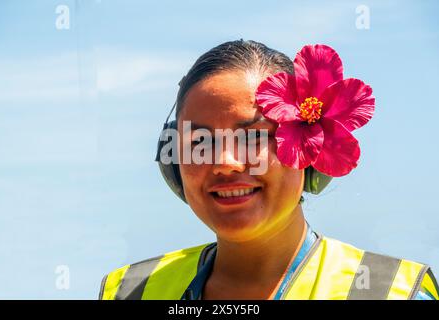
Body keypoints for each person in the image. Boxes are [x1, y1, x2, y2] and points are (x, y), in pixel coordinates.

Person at [99, 40, 439, 300]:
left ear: (311, 153)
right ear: (173, 163)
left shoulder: (388, 291)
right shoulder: (131, 290)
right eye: (200, 141)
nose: (225, 163)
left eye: (255, 137)